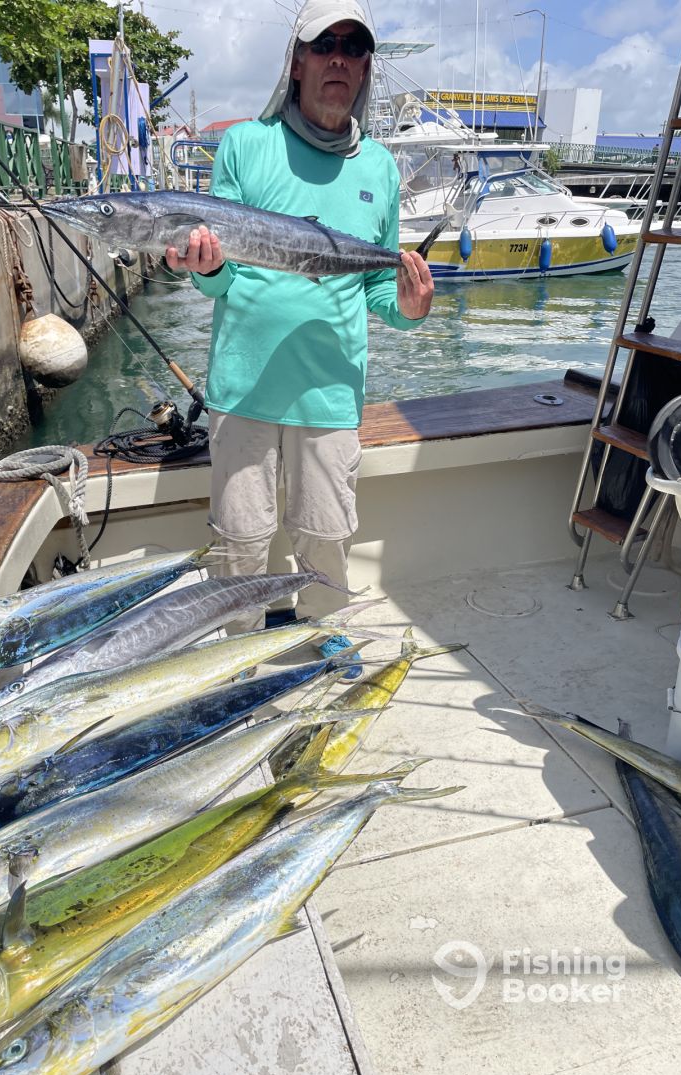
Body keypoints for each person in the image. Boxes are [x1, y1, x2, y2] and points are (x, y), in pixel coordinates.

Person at [165, 0, 433, 678]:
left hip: (329, 397)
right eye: (324, 44)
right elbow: (218, 283)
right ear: (297, 62)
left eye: (354, 47)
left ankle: (326, 650)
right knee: (239, 545)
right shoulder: (245, 145)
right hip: (243, 390)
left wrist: (409, 309)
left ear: (366, 69)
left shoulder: (380, 168)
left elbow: (380, 292)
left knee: (326, 539)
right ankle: (236, 662)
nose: (339, 58)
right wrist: (208, 268)